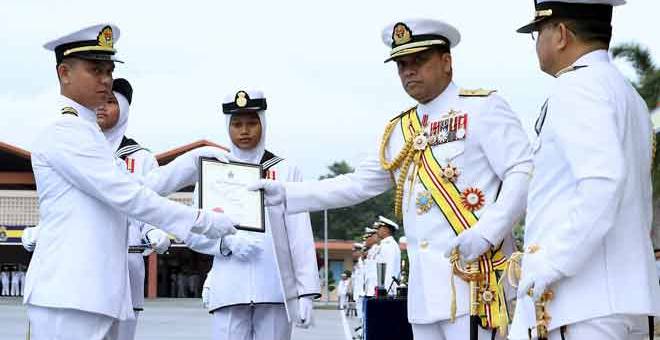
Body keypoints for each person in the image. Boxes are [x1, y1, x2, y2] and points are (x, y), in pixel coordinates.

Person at [252, 18, 533, 339]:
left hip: (474, 284)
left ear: (446, 62)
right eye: (401, 64)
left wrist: (487, 231)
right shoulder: (400, 131)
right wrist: (287, 194)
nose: (409, 70)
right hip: (425, 295)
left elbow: (522, 171)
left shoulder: (483, 109)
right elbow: (356, 184)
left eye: (419, 60)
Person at [26, 24, 237, 340]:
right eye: (95, 70)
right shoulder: (66, 130)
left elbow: (136, 190)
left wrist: (190, 164)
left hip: (92, 293)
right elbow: (126, 196)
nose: (106, 80)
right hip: (69, 295)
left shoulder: (89, 133)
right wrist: (201, 221)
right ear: (65, 73)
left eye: (109, 70)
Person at [511, 1, 660, 339]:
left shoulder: (576, 87)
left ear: (561, 35)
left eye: (538, 32)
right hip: (620, 299)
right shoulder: (628, 95)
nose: (536, 42)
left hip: (581, 301)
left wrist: (553, 263)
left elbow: (602, 182)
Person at [185, 90, 321, 340]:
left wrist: (306, 292)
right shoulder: (214, 170)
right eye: (236, 124)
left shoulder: (284, 170)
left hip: (275, 288)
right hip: (228, 287)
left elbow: (300, 235)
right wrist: (225, 244)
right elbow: (193, 229)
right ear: (227, 126)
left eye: (251, 123)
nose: (244, 131)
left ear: (263, 123)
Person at [97, 78, 173, 340]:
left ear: (125, 109)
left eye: (110, 102)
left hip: (128, 260)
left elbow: (150, 205)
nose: (102, 107)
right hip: (88, 259)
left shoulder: (141, 158)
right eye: (99, 100)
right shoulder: (81, 148)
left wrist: (153, 231)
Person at [373, 216, 401, 296]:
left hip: (387, 290)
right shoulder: (384, 244)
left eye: (380, 228)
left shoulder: (389, 245)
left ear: (386, 230)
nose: (378, 230)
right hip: (382, 288)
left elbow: (390, 268)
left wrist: (386, 290)